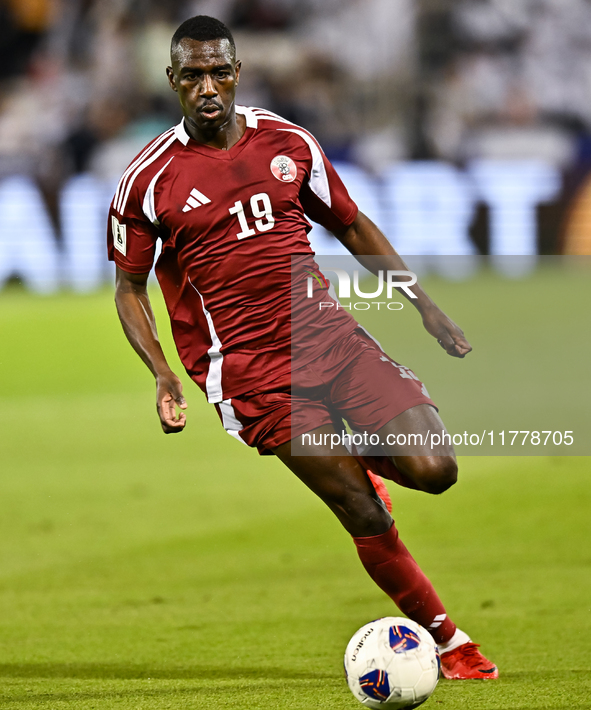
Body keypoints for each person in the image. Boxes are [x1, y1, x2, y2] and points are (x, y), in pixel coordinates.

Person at [108, 15, 498, 680]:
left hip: (331, 339)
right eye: (193, 75)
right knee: (359, 506)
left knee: (435, 470)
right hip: (251, 371)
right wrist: (162, 375)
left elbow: (349, 222)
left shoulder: (287, 142)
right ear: (171, 81)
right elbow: (129, 288)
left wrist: (423, 305)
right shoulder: (147, 180)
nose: (209, 87)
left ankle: (358, 461)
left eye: (219, 71)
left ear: (237, 72)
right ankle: (448, 640)